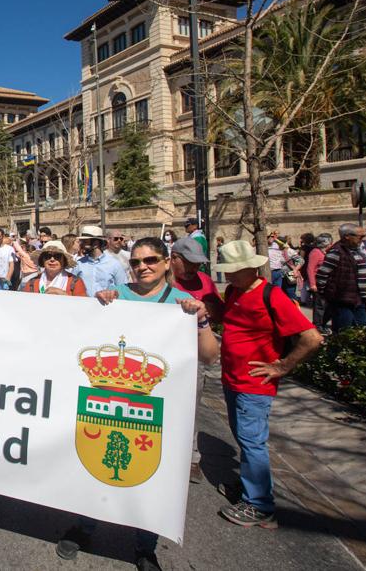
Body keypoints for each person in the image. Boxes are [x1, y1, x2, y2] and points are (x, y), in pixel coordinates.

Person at [65, 237, 217, 571]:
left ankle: (145, 546)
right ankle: (84, 526)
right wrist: (98, 303)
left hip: (157, 407)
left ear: (166, 263)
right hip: (108, 400)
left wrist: (201, 320)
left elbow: (209, 356)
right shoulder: (117, 297)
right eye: (135, 262)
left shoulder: (184, 302)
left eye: (150, 260)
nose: (142, 267)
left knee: (154, 477)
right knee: (93, 465)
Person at [214, 240, 323, 529]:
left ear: (252, 267)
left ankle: (260, 506)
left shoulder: (271, 295)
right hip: (233, 379)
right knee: (244, 437)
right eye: (228, 270)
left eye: (235, 270)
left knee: (252, 442)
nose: (229, 275)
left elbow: (312, 338)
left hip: (255, 384)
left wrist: (283, 366)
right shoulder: (234, 291)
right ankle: (252, 489)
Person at [167, 236, 224, 484]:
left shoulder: (204, 281)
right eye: (189, 263)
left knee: (189, 406)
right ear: (174, 259)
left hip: (192, 353)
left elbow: (219, 312)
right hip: (164, 350)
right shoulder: (162, 279)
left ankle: (191, 458)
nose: (194, 269)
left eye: (198, 263)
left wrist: (207, 309)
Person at [316, 224, 366, 334]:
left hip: (358, 299)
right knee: (344, 331)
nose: (362, 240)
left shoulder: (356, 251)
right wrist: (325, 293)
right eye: (360, 237)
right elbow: (322, 274)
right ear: (347, 236)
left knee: (363, 329)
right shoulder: (337, 252)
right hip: (343, 300)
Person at [71, 226, 127, 297]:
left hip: (107, 306)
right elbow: (72, 286)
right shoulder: (79, 264)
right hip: (84, 306)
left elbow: (122, 289)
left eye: (85, 241)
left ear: (96, 243)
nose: (82, 244)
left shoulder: (114, 264)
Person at [20, 241, 86, 296]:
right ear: (42, 260)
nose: (52, 259)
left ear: (64, 260)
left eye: (57, 256)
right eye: (47, 256)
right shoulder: (32, 283)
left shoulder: (75, 282)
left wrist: (64, 295)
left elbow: (83, 307)